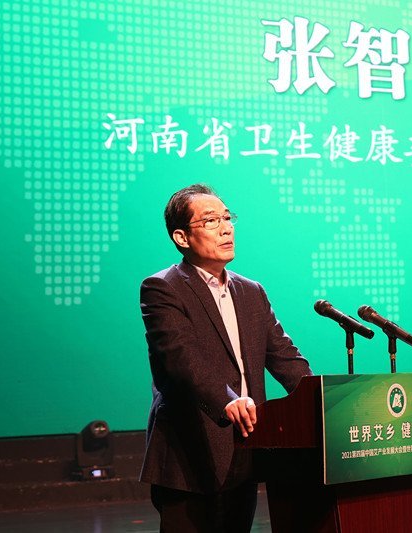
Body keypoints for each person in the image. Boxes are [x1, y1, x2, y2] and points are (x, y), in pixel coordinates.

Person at [139, 183, 312, 532]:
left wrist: (321, 400)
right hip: (188, 456)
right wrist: (228, 400)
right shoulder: (162, 289)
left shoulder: (251, 291)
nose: (226, 228)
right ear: (182, 237)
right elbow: (182, 360)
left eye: (227, 218)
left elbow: (285, 357)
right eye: (210, 221)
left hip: (244, 449)